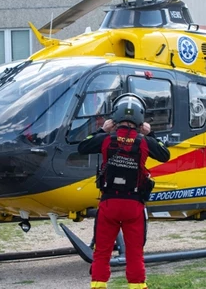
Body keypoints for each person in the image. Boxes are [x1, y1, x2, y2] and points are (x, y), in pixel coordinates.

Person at [78, 94, 170, 289]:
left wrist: (102, 130)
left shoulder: (105, 139)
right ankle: (137, 286)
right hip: (134, 205)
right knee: (135, 252)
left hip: (109, 204)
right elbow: (165, 154)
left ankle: (98, 284)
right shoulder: (145, 141)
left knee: (102, 251)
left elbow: (83, 146)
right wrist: (150, 134)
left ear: (115, 117)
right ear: (140, 119)